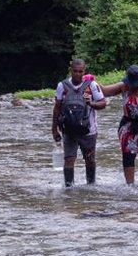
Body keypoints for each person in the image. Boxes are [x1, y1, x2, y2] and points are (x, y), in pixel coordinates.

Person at [52, 59, 107, 187]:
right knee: (69, 159)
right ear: (71, 70)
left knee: (90, 159)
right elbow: (57, 108)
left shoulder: (92, 85)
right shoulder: (62, 86)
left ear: (84, 71)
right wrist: (54, 129)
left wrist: (91, 103)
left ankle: (91, 186)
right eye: (75, 71)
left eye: (80, 71)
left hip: (88, 130)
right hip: (68, 130)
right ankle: (69, 188)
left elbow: (103, 103)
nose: (77, 74)